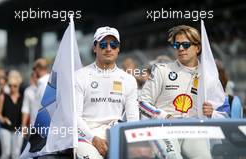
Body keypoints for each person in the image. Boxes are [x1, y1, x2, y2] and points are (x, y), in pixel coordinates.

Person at [139, 25, 229, 159]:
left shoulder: (209, 76)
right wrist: (164, 116)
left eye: (186, 45)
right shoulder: (161, 70)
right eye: (177, 45)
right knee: (173, 157)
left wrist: (212, 114)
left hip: (193, 129)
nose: (181, 49)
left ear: (197, 48)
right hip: (163, 128)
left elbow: (225, 114)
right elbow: (142, 103)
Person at [75, 26, 139, 159]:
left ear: (118, 48)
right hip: (86, 137)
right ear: (94, 48)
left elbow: (133, 120)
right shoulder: (79, 76)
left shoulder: (129, 80)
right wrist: (94, 139)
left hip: (116, 135)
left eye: (113, 44)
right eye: (103, 44)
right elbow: (75, 117)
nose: (109, 49)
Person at [0, 70, 24, 159]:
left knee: (16, 154)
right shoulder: (3, 97)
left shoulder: (23, 98)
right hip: (5, 129)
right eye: (10, 86)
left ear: (19, 85)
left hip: (18, 129)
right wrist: (3, 119)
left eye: (15, 86)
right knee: (6, 153)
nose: (12, 88)